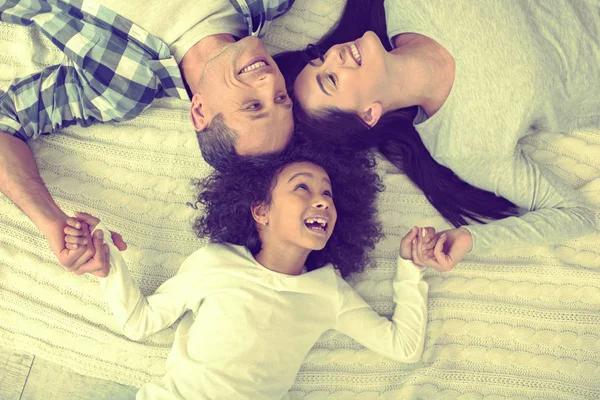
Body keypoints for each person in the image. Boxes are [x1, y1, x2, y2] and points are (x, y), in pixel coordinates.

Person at [63, 143, 433, 399]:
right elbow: (139, 321)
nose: (322, 199)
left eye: (328, 194)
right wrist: (106, 258)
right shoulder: (215, 262)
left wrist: (410, 268)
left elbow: (403, 347)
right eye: (302, 187)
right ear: (261, 211)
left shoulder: (327, 291)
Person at [277, 0, 599, 271]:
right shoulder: (462, 146)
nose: (335, 54)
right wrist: (472, 240)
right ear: (368, 115)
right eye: (331, 79)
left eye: (321, 58)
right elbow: (576, 215)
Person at [0, 0, 295, 275]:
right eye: (281, 98)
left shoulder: (123, 85)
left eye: (253, 106)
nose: (269, 81)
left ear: (200, 112)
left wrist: (51, 220)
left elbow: (6, 121)